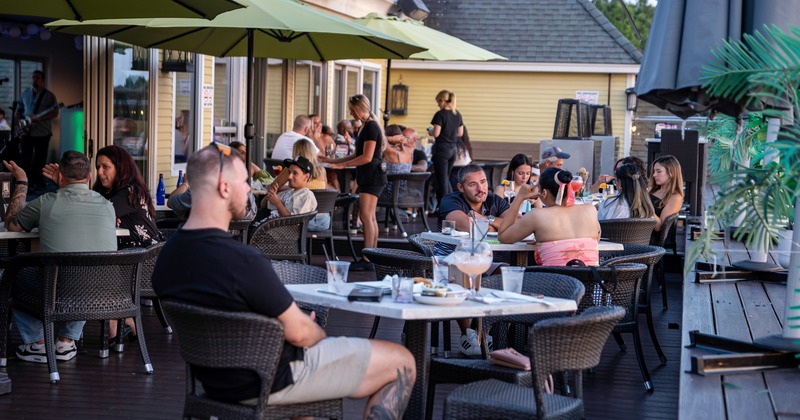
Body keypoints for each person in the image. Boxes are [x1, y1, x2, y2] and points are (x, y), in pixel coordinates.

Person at [152, 144, 415, 415]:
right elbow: (302, 333)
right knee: (403, 361)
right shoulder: (242, 261)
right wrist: (308, 329)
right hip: (271, 379)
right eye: (243, 182)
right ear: (224, 187)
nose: (248, 190)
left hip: (215, 382)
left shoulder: (166, 258)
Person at [3, 151, 117, 363]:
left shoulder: (47, 201)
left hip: (57, 288)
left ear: (60, 177)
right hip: (101, 292)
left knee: (9, 275)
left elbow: (12, 224)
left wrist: (22, 181)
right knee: (84, 271)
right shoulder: (107, 206)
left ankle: (37, 343)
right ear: (90, 177)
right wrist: (64, 184)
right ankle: (65, 342)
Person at [437, 164, 514, 356]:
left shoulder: (495, 200)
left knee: (505, 272)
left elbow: (518, 225)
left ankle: (485, 330)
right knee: (460, 269)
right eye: (473, 184)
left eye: (483, 182)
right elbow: (469, 227)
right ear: (461, 187)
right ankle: (468, 334)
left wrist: (485, 218)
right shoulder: (450, 201)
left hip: (482, 258)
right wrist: (497, 223)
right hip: (448, 259)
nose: (481, 189)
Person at [319, 94, 386, 271]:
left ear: (359, 108)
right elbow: (357, 154)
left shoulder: (371, 127)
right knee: (369, 217)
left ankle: (367, 258)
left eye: (351, 109)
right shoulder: (365, 126)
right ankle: (372, 256)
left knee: (366, 217)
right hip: (368, 176)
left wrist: (344, 166)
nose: (350, 112)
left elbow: (367, 157)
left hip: (372, 176)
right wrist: (334, 161)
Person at [498, 167, 601, 267]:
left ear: (544, 193)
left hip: (553, 282)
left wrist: (520, 197)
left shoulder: (537, 216)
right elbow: (595, 239)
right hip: (590, 282)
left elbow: (503, 236)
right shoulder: (590, 210)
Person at [92, 145, 161, 249]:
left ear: (120, 168)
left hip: (145, 258)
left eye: (105, 167)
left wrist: (108, 218)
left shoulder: (131, 192)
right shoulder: (107, 191)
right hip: (127, 255)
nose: (99, 172)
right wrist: (111, 218)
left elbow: (93, 214)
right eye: (98, 167)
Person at [168, 143, 258, 221]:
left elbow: (171, 203)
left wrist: (187, 183)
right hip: (238, 239)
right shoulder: (247, 195)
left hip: (203, 238)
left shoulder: (200, 191)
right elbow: (251, 216)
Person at [15, 70, 59, 190]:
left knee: (40, 159)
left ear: (43, 80)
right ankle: (24, 183)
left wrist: (40, 119)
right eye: (33, 77)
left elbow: (55, 112)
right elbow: (20, 108)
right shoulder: (25, 93)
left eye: (38, 77)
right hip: (27, 132)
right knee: (25, 158)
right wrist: (19, 119)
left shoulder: (49, 96)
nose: (35, 80)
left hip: (42, 133)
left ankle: (38, 183)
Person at [264, 156, 330, 231]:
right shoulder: (288, 192)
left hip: (281, 235)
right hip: (269, 228)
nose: (289, 177)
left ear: (306, 177)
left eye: (295, 173)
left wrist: (278, 203)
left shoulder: (306, 195)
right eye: (289, 172)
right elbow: (263, 206)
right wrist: (271, 193)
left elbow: (294, 223)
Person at [428, 90, 464, 211]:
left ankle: (446, 208)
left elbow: (436, 133)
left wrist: (430, 131)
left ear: (442, 100)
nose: (438, 105)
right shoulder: (457, 114)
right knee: (446, 179)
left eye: (438, 101)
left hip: (442, 150)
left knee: (442, 180)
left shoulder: (440, 114)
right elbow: (460, 133)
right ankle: (452, 204)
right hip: (453, 149)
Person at [648, 155, 684, 232]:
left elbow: (659, 227)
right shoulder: (651, 190)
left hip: (653, 240)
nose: (654, 175)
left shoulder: (675, 197)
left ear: (671, 172)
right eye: (654, 171)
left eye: (658, 171)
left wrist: (645, 206)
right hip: (640, 232)